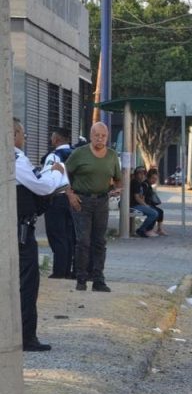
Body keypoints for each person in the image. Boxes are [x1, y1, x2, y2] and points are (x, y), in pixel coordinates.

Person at [13, 118, 66, 352]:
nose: (24, 138)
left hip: (15, 229)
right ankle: (26, 337)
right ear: (14, 133)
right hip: (20, 232)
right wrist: (56, 174)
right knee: (27, 283)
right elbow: (42, 187)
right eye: (23, 133)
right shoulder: (14, 157)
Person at [65, 121, 121, 292]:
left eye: (103, 136)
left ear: (107, 137)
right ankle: (81, 278)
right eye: (97, 135)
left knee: (99, 241)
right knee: (83, 241)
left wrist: (118, 189)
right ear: (91, 136)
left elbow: (118, 179)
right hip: (82, 201)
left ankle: (98, 279)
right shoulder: (79, 154)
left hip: (102, 201)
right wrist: (70, 194)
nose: (100, 139)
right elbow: (63, 173)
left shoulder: (112, 156)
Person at [42, 128, 76, 279]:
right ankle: (68, 270)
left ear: (56, 139)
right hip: (75, 201)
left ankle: (59, 271)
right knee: (70, 236)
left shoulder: (54, 156)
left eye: (52, 138)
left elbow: (48, 178)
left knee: (57, 236)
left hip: (58, 198)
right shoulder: (77, 154)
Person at [129, 166, 159, 238]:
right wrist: (145, 205)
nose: (142, 175)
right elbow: (137, 198)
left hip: (137, 204)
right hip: (133, 205)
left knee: (155, 211)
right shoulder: (135, 182)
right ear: (136, 174)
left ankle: (145, 229)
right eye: (140, 174)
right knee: (154, 213)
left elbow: (141, 196)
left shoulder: (139, 183)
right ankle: (142, 230)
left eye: (144, 174)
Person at [145, 168, 168, 235]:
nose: (154, 180)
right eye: (152, 178)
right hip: (145, 204)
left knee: (160, 211)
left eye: (156, 179)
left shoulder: (149, 185)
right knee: (155, 212)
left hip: (149, 204)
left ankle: (159, 229)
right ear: (148, 177)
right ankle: (148, 229)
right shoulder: (145, 185)